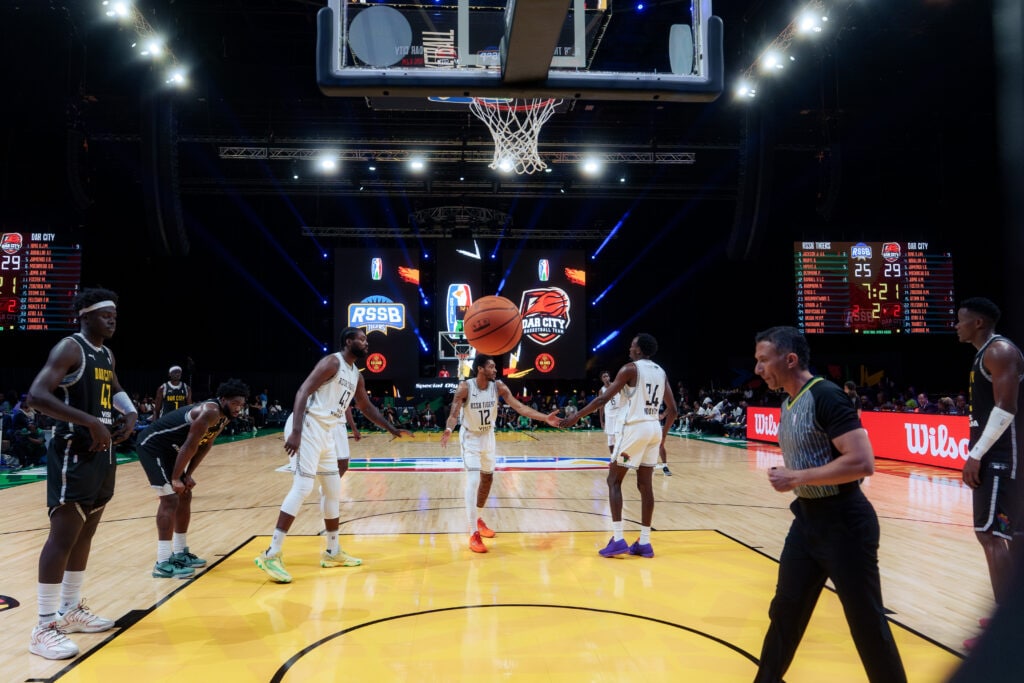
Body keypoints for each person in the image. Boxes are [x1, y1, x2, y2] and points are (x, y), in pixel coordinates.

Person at [751, 326, 906, 683]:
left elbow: (862, 462)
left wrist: (797, 477)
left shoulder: (827, 395)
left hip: (845, 524)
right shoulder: (787, 403)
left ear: (790, 360)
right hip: (807, 522)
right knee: (785, 612)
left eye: (763, 360)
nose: (758, 369)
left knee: (866, 623)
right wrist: (797, 480)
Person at [24, 288, 138, 660]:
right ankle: (43, 626)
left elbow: (115, 389)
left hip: (102, 454)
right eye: (105, 315)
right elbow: (37, 396)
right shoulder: (70, 348)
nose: (112, 320)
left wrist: (131, 413)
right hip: (73, 450)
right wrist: (90, 421)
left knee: (85, 533)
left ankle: (70, 609)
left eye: (115, 315)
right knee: (63, 536)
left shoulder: (106, 354)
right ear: (85, 316)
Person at [255, 327, 411, 583]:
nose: (367, 343)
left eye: (366, 340)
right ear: (348, 341)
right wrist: (296, 431)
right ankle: (271, 553)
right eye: (362, 339)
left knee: (332, 489)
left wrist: (391, 428)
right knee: (303, 486)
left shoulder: (356, 375)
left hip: (326, 432)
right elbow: (303, 391)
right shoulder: (332, 362)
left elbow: (365, 406)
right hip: (307, 426)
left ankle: (332, 551)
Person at [560, 333, 678, 558]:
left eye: (632, 345)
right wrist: (662, 437)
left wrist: (576, 416)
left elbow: (602, 399)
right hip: (653, 428)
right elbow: (673, 410)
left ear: (639, 350)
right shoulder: (661, 372)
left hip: (635, 429)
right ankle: (644, 542)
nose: (629, 348)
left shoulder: (630, 369)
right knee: (645, 485)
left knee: (613, 480)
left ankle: (617, 539)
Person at [955, 297, 1024, 648]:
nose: (956, 326)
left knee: (992, 535)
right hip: (1004, 457)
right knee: (1008, 537)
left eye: (961, 320)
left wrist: (976, 454)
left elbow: (1005, 407)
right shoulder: (987, 354)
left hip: (1001, 457)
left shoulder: (999, 351)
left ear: (978, 322)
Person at [440, 354, 560, 553]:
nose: (495, 370)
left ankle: (478, 518)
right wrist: (448, 429)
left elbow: (520, 407)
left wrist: (544, 418)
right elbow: (453, 414)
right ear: (480, 369)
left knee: (487, 479)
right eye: (491, 367)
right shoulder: (465, 388)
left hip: (488, 435)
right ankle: (473, 532)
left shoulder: (498, 387)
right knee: (473, 480)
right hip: (470, 437)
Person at [137, 379, 251, 579]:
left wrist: (188, 474)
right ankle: (162, 563)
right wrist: (176, 478)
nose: (238, 408)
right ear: (223, 399)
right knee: (170, 499)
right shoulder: (210, 411)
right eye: (234, 403)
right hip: (152, 445)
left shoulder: (224, 416)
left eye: (241, 405)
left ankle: (180, 552)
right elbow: (190, 444)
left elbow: (205, 444)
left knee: (185, 495)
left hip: (171, 450)